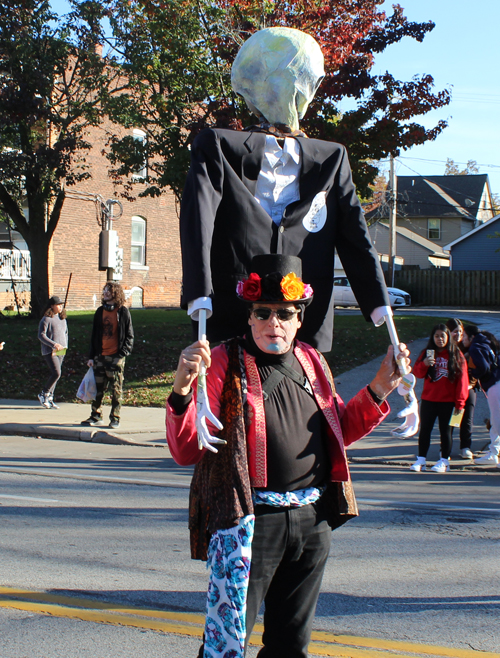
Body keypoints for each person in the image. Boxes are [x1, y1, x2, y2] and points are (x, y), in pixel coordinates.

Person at [165, 254, 410, 658]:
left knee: (289, 650)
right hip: (249, 526)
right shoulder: (224, 363)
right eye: (263, 312)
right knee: (224, 649)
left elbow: (337, 429)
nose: (273, 322)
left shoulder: (313, 363)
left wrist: (381, 387)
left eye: (285, 312)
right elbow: (188, 448)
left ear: (301, 317)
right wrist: (183, 388)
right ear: (248, 314)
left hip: (313, 522)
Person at [181, 27, 391, 353]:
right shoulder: (217, 148)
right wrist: (200, 294)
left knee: (304, 400)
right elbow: (198, 224)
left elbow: (355, 235)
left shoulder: (331, 160)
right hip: (233, 313)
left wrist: (380, 305)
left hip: (303, 320)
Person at [411, 324, 468, 473]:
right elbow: (417, 373)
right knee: (425, 430)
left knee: (446, 432)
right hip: (429, 399)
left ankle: (444, 461)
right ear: (433, 337)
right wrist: (424, 364)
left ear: (448, 337)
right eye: (437, 336)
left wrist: (460, 402)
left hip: (448, 402)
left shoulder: (456, 354)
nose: (440, 339)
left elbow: (462, 380)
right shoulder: (427, 353)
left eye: (443, 336)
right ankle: (421, 460)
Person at [81, 281, 134, 429]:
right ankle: (96, 415)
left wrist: (122, 354)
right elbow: (94, 335)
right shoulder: (100, 312)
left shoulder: (123, 312)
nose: (105, 294)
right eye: (104, 291)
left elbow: (129, 336)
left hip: (115, 357)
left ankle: (115, 418)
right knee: (98, 388)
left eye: (108, 291)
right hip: (99, 356)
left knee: (116, 388)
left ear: (115, 294)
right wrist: (91, 357)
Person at [461, 325, 500, 466]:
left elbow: (483, 367)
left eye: (464, 336)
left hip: (494, 386)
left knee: (498, 422)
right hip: (496, 382)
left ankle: (495, 454)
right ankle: (493, 453)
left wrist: (473, 373)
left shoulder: (475, 347)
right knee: (495, 422)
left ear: (471, 337)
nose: (463, 339)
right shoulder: (486, 342)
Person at [445, 317, 476, 459]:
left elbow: (475, 369)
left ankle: (465, 447)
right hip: (450, 390)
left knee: (466, 419)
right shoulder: (443, 348)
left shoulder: (469, 347)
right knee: (451, 420)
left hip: (467, 388)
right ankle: (445, 448)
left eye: (461, 332)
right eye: (455, 332)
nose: (459, 335)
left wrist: (471, 384)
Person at [37, 295, 68, 409]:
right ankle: (44, 393)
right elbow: (41, 335)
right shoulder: (46, 319)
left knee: (56, 375)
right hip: (50, 350)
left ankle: (50, 397)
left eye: (61, 305)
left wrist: (65, 346)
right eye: (58, 305)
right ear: (52, 306)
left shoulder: (62, 319)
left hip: (61, 350)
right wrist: (53, 344)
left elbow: (65, 333)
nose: (60, 307)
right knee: (56, 372)